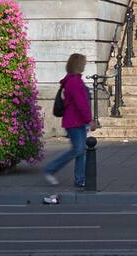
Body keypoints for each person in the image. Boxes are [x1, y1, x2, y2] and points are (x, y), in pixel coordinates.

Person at [43, 53, 94, 186]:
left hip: (76, 121)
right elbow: (81, 103)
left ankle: (80, 179)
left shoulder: (71, 80)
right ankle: (50, 169)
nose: (84, 66)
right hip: (74, 121)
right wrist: (89, 119)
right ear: (78, 65)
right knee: (78, 150)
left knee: (81, 151)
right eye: (83, 63)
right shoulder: (75, 81)